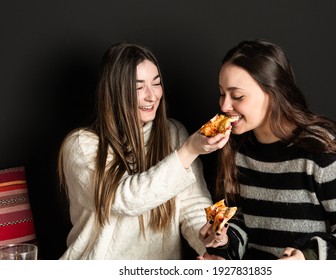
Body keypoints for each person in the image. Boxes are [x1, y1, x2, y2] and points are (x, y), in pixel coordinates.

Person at [198, 39, 336, 260]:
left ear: (273, 94)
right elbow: (243, 223)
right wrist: (223, 241)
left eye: (237, 96)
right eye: (222, 93)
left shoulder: (320, 150)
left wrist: (305, 258)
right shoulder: (237, 149)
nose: (224, 106)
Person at [58, 42, 230, 259]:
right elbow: (122, 200)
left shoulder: (173, 133)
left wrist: (209, 239)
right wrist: (189, 151)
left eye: (156, 84)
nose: (152, 96)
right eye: (138, 88)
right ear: (114, 93)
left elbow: (191, 204)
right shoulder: (81, 145)